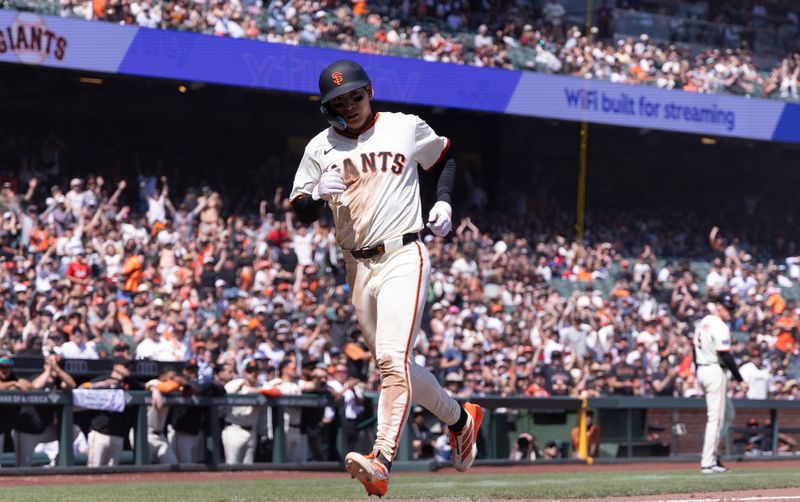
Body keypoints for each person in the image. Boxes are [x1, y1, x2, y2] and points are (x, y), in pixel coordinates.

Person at [290, 59, 483, 497]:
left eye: (355, 96)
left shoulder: (403, 126)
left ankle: (381, 459)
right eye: (339, 102)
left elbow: (445, 157)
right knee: (395, 364)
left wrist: (444, 200)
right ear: (327, 107)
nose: (349, 106)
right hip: (356, 266)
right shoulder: (320, 148)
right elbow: (300, 210)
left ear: (370, 91)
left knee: (392, 359)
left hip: (403, 253)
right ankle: (460, 420)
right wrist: (316, 196)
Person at [693, 294, 747, 474]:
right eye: (728, 308)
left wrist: (697, 373)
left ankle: (713, 451)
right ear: (719, 307)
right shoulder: (719, 325)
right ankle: (708, 462)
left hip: (703, 368)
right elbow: (725, 355)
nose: (730, 312)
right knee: (716, 419)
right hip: (714, 370)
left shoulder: (704, 322)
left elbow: (695, 350)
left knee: (728, 413)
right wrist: (740, 379)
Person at [14, 355, 76, 466]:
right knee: (23, 466)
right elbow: (35, 386)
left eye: (57, 365)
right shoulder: (37, 377)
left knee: (74, 429)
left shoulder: (59, 382)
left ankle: (59, 459)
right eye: (49, 364)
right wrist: (48, 371)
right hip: (26, 430)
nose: (53, 367)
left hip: (45, 429)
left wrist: (57, 369)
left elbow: (72, 384)